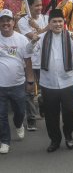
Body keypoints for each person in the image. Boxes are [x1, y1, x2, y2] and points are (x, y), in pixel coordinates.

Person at [27, 9, 73, 152]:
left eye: (60, 21)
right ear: (49, 23)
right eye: (54, 21)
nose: (58, 24)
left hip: (68, 82)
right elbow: (28, 51)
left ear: (64, 22)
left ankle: (68, 135)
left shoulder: (71, 36)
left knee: (69, 113)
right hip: (48, 84)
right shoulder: (42, 38)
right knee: (51, 115)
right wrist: (33, 41)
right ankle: (55, 140)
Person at [0, 9, 34, 154]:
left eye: (8, 20)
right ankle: (5, 141)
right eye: (2, 21)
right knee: (1, 116)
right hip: (0, 86)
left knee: (20, 111)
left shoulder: (21, 39)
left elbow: (28, 61)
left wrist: (30, 80)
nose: (5, 23)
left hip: (18, 84)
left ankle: (19, 124)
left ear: (13, 22)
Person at [17, 0, 49, 131]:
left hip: (45, 60)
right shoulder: (23, 21)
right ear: (29, 6)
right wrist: (42, 29)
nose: (39, 8)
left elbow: (49, 35)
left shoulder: (46, 19)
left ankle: (43, 104)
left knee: (46, 90)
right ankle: (31, 119)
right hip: (29, 61)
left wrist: (37, 26)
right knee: (29, 91)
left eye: (41, 5)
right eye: (36, 5)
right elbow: (34, 37)